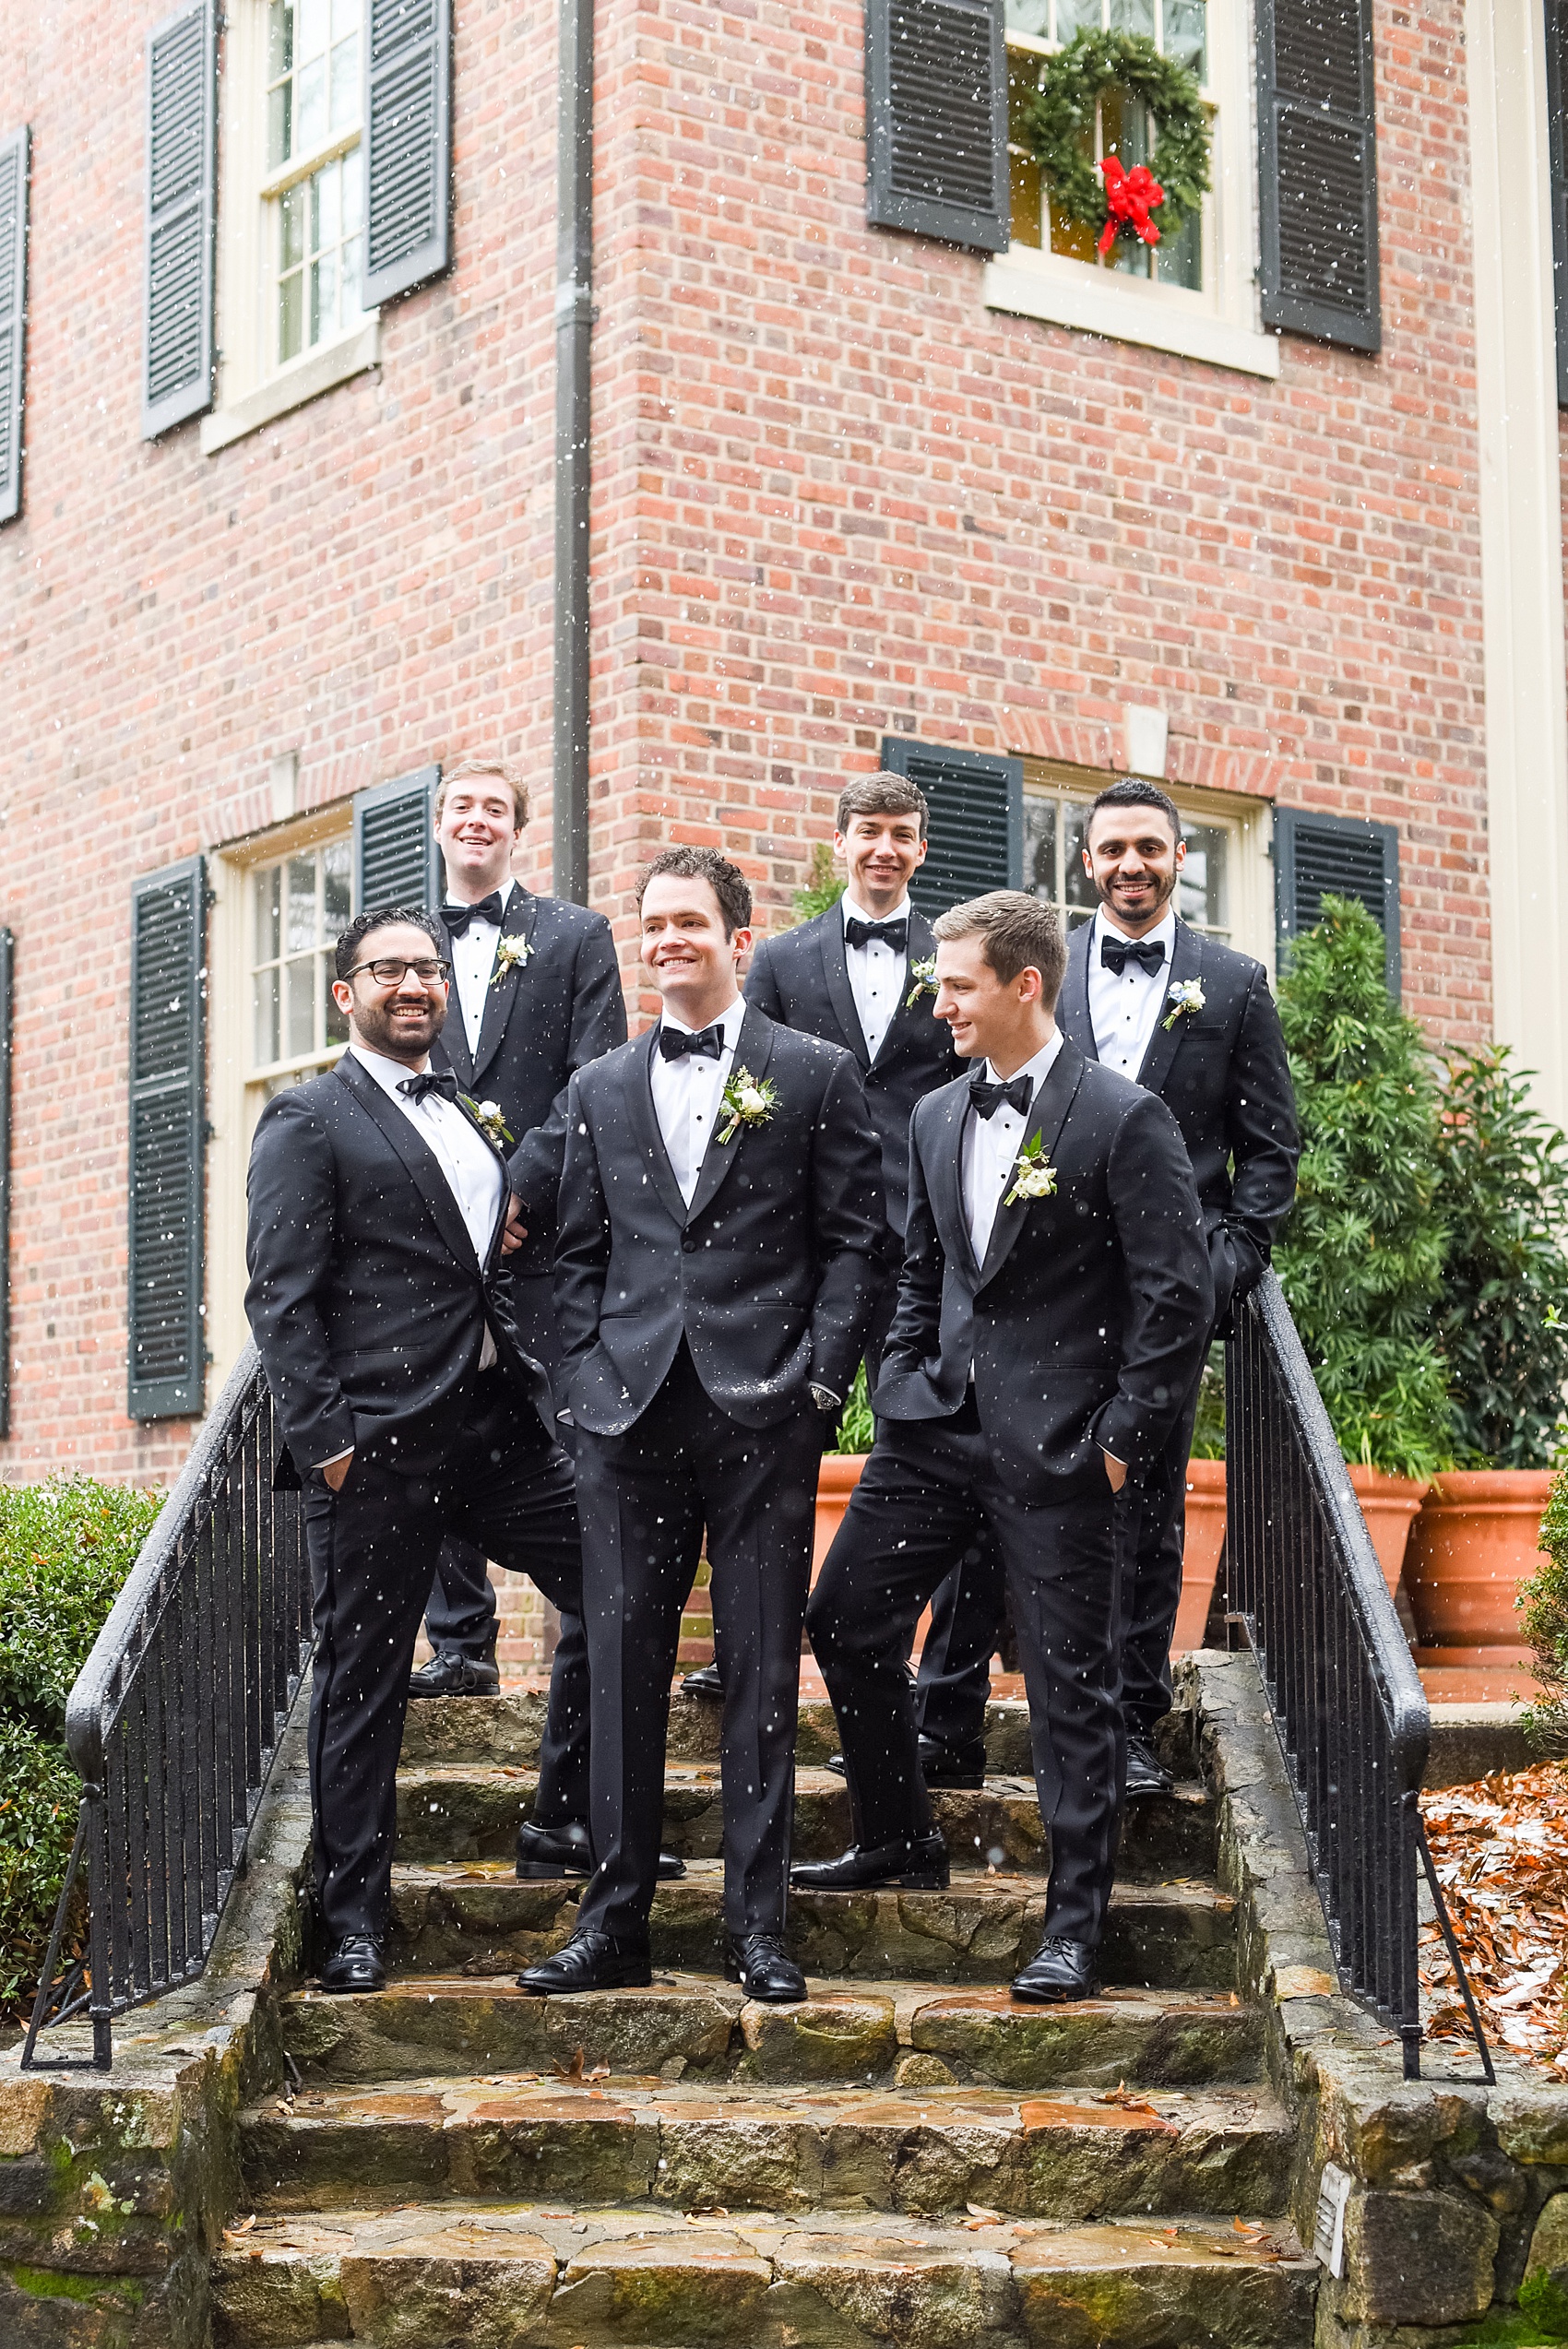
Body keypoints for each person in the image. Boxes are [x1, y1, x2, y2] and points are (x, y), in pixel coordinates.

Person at [797, 890, 1212, 2003]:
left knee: (1068, 1689)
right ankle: (899, 1833)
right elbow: (925, 1267)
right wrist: (898, 1384)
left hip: (1064, 1451)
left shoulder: (1123, 1119)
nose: (941, 1005)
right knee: (843, 1615)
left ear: (1025, 985)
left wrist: (1120, 1444)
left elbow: (1176, 1301)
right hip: (932, 1433)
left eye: (959, 984)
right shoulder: (936, 1115)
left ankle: (1073, 1927)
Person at [517, 848, 885, 2002]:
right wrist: (577, 1390)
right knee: (621, 1667)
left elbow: (856, 1246)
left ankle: (755, 1928)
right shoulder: (599, 1089)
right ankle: (613, 1922)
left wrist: (821, 1387)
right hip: (624, 1420)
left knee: (762, 1671)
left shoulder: (813, 1075)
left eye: (689, 922)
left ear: (738, 937)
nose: (667, 939)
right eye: (653, 924)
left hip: (761, 1413)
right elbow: (570, 1258)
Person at [916, 781, 1299, 1797]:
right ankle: (943, 1712)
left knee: (1144, 1509)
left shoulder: (1233, 982)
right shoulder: (1037, 977)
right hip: (1036, 1293)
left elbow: (1268, 1150)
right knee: (981, 1497)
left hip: (1157, 1306)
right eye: (1110, 850)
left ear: (1178, 857)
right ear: (1083, 864)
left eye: (1148, 848)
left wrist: (1224, 1264)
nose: (1129, 865)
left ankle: (1128, 1722)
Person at [244, 910, 596, 1995]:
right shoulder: (307, 1119)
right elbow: (281, 1297)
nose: (412, 985)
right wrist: (329, 1446)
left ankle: (578, 1821)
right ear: (345, 992)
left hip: (496, 1427)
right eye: (388, 970)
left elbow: (473, 1255)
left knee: (617, 1582)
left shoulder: (465, 1115)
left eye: (427, 970)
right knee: (365, 1684)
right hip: (378, 1450)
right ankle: (354, 1919)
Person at [681, 772, 959, 1705]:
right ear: (838, 842)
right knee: (768, 1443)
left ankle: (944, 1677)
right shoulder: (785, 961)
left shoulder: (951, 956)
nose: (883, 848)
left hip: (929, 1244)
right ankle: (743, 1649)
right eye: (867, 832)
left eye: (901, 834)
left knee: (937, 1443)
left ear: (921, 848)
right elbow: (744, 1081)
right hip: (813, 1248)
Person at [410, 755, 626, 1702]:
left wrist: (515, 1198)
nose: (475, 820)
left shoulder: (576, 937)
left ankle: (598, 1638)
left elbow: (594, 1081)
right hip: (429, 1247)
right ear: (437, 823)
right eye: (460, 806)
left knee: (566, 1432)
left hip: (541, 1247)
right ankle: (459, 1647)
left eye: (493, 808)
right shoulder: (399, 945)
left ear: (515, 827)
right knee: (436, 1428)